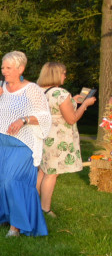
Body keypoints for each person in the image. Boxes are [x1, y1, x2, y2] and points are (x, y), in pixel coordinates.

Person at [0, 51, 52, 237]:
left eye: (8, 68)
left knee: (13, 182)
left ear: (21, 68)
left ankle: (17, 226)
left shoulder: (32, 89)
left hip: (21, 145)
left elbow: (44, 117)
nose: (4, 71)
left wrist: (24, 120)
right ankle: (3, 216)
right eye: (3, 67)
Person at [36, 61, 93, 217]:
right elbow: (71, 118)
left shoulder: (39, 91)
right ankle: (45, 209)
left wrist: (73, 101)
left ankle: (32, 203)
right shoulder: (61, 94)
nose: (65, 76)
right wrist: (85, 105)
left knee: (42, 171)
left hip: (44, 135)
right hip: (57, 138)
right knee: (52, 174)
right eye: (64, 73)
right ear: (56, 74)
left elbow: (54, 109)